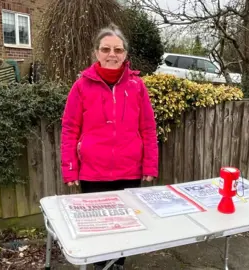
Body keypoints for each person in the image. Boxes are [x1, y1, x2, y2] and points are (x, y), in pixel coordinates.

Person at [60, 24, 159, 270]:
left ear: (125, 54)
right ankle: (99, 265)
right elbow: (70, 129)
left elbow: (147, 128)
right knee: (99, 227)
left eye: (118, 49)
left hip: (130, 171)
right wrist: (70, 169)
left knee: (125, 225)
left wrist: (150, 165)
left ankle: (118, 265)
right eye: (106, 49)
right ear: (96, 52)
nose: (112, 54)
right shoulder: (81, 86)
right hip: (93, 173)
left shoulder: (137, 86)